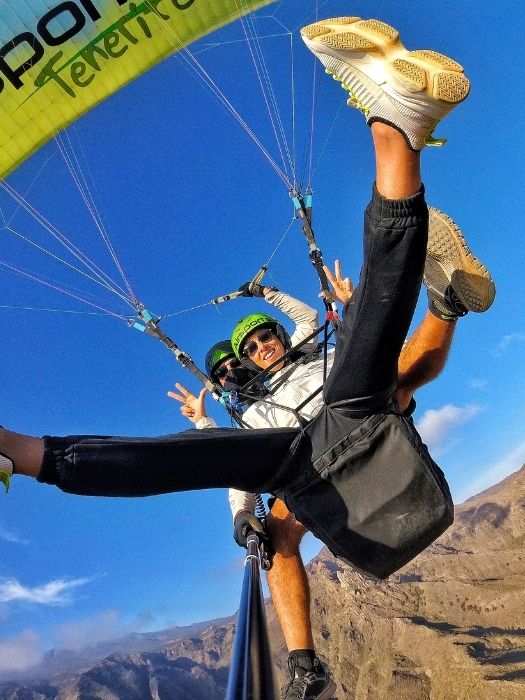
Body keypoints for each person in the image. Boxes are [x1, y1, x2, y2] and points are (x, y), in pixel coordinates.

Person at [0, 15, 494, 698]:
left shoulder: (310, 346)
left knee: (385, 351)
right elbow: (232, 462)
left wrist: (294, 300)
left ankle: (421, 218)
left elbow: (313, 323)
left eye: (267, 336)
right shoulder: (254, 407)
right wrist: (240, 514)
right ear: (247, 365)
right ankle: (303, 663)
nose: (264, 346)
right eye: (253, 346)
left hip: (350, 410)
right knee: (223, 484)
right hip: (296, 455)